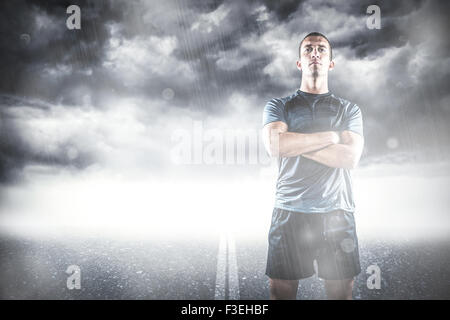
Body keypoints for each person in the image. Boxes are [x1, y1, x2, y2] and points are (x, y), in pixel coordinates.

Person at [262, 32, 364, 300]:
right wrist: (330, 138)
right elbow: (275, 146)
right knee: (280, 292)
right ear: (299, 62)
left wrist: (296, 144)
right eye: (308, 49)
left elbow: (349, 158)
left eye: (321, 50)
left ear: (331, 62)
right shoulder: (279, 106)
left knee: (341, 292)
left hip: (338, 212)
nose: (315, 53)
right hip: (289, 210)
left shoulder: (348, 110)